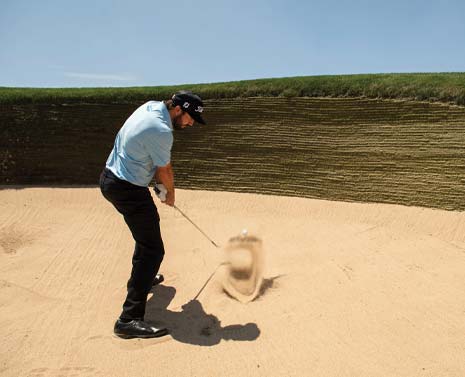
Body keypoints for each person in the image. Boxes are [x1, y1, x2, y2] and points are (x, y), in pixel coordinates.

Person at [99, 90, 206, 339]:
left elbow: (143, 153)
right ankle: (129, 319)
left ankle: (144, 279)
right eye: (190, 118)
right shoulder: (161, 130)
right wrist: (169, 194)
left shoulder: (151, 107)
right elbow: (164, 170)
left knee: (145, 239)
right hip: (127, 189)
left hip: (112, 177)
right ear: (178, 109)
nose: (191, 124)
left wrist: (154, 183)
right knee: (153, 250)